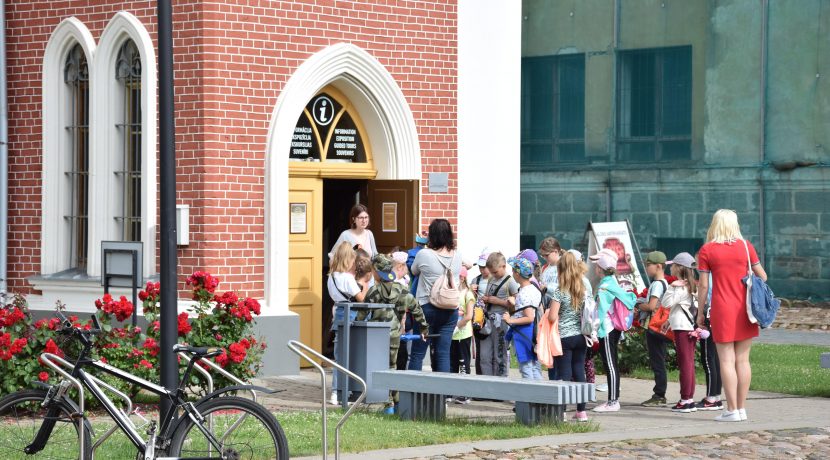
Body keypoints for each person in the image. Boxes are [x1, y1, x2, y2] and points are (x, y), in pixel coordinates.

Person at [696, 209, 768, 422]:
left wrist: (700, 313)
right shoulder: (746, 247)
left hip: (722, 309)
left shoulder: (707, 250)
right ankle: (743, 409)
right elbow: (762, 275)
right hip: (746, 310)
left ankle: (732, 410)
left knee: (726, 361)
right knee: (743, 361)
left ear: (715, 225)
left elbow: (703, 285)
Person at [361, 254, 429, 413]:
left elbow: (362, 314)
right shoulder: (402, 291)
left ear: (377, 272)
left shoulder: (373, 291)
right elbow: (417, 309)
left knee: (380, 368)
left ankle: (388, 404)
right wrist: (424, 328)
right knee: (393, 367)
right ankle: (397, 402)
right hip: (394, 335)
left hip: (377, 336)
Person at [407, 219, 463, 373]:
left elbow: (413, 271)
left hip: (427, 308)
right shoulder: (457, 256)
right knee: (443, 354)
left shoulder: (424, 254)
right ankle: (442, 395)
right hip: (451, 309)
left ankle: (414, 393)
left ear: (431, 235)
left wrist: (424, 243)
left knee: (418, 353)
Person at [591, 248, 636, 413]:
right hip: (613, 329)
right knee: (612, 364)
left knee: (610, 364)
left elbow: (600, 311)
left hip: (607, 329)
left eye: (596, 265)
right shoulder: (613, 282)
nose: (595, 267)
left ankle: (613, 401)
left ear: (600, 268)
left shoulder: (605, 286)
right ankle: (613, 399)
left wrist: (593, 329)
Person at [548, 251, 590, 422]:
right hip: (581, 336)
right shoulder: (583, 288)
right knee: (579, 371)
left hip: (564, 337)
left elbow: (552, 316)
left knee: (564, 373)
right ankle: (582, 411)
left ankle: (562, 411)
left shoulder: (560, 291)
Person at [326, 242, 369, 405]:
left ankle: (337, 392)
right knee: (350, 356)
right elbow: (362, 299)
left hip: (338, 313)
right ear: (348, 260)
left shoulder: (332, 277)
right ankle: (343, 392)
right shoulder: (347, 278)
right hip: (350, 316)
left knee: (339, 356)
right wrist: (364, 284)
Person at [662, 252, 699, 413]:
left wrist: (671, 287)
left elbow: (666, 303)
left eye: (672, 265)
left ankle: (685, 399)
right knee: (688, 363)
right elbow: (683, 307)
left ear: (679, 268)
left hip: (683, 328)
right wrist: (669, 321)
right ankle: (688, 398)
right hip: (688, 326)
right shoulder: (692, 285)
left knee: (685, 364)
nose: (670, 267)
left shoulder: (680, 286)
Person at [639, 251, 672, 407]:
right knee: (659, 359)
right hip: (660, 328)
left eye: (648, 265)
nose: (646, 268)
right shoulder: (665, 283)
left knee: (657, 361)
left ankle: (659, 394)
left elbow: (652, 306)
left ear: (658, 266)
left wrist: (638, 305)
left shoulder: (657, 284)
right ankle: (660, 393)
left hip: (655, 327)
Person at [478, 252, 519, 377]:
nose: (493, 275)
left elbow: (517, 304)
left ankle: (500, 385)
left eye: (495, 272)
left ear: (503, 266)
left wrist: (498, 301)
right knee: (484, 356)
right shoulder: (491, 278)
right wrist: (485, 299)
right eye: (491, 272)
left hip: (501, 323)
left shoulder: (510, 281)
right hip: (488, 321)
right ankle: (488, 386)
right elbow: (489, 296)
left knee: (499, 355)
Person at [503, 255, 542, 380]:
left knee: (526, 367)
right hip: (533, 331)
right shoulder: (534, 288)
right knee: (535, 366)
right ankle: (539, 397)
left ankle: (528, 396)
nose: (512, 273)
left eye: (513, 270)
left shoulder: (524, 292)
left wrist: (510, 320)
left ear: (518, 274)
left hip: (524, 332)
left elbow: (529, 317)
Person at [450, 267, 476, 403]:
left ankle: (465, 393)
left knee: (463, 363)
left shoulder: (468, 294)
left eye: (459, 276)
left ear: (463, 277)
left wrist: (457, 327)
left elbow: (469, 316)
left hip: (463, 333)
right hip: (452, 334)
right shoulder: (453, 292)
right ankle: (452, 391)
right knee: (452, 363)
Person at [470, 250, 491, 375]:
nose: (482, 270)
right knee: (479, 348)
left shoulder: (496, 280)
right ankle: (479, 374)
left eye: (484, 267)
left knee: (489, 350)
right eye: (480, 267)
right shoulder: (475, 280)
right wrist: (470, 290)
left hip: (491, 318)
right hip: (479, 319)